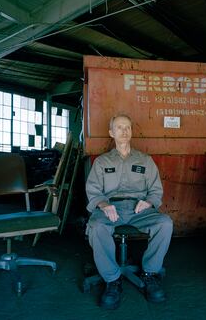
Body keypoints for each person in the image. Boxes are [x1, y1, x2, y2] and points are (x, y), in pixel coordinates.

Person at [85, 113, 173, 310]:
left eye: (127, 127)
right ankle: (112, 279)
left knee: (165, 223)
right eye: (119, 127)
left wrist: (149, 202)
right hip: (110, 208)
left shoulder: (145, 160)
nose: (124, 131)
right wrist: (104, 205)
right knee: (97, 226)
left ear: (131, 132)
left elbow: (156, 190)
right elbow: (93, 190)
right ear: (111, 133)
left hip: (138, 209)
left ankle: (150, 274)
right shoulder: (102, 162)